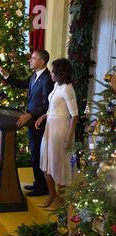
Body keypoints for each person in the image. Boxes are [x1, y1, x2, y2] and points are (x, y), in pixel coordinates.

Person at [0, 49, 55, 197]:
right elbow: (20, 84)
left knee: (37, 154)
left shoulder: (47, 79)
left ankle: (42, 187)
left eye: (33, 58)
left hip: (38, 122)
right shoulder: (35, 76)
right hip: (30, 121)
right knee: (34, 153)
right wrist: (2, 71)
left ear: (42, 61)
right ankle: (38, 183)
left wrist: (30, 114)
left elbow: (46, 104)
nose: (30, 60)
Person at [35, 58, 79, 210]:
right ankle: (51, 194)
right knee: (46, 163)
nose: (51, 73)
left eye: (54, 71)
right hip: (50, 127)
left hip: (61, 130)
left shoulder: (68, 88)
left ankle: (60, 197)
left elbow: (75, 115)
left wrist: (68, 139)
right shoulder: (56, 85)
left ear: (61, 73)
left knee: (58, 163)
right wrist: (43, 116)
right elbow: (53, 108)